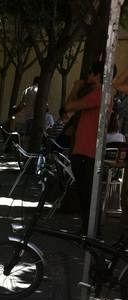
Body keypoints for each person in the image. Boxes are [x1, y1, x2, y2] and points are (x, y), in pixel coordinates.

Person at [65, 61, 108, 233]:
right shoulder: (99, 94)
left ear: (98, 75)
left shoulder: (98, 95)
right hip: (84, 150)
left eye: (90, 72)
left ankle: (91, 231)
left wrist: (75, 88)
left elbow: (68, 106)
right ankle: (88, 229)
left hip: (87, 152)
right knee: (85, 194)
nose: (87, 75)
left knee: (87, 194)